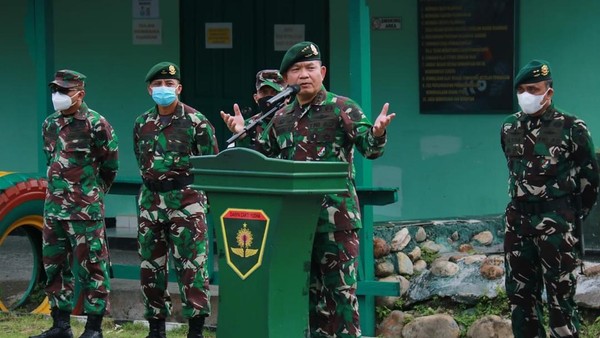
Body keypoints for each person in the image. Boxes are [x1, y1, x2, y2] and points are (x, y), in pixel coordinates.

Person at [221, 41, 395, 338]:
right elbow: (265, 157)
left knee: (340, 294)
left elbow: (369, 147)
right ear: (286, 78)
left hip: (336, 220)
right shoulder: (280, 116)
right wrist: (241, 133)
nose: (304, 75)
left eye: (310, 68)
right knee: (306, 295)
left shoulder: (342, 107)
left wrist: (378, 133)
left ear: (322, 72)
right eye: (297, 69)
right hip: (294, 223)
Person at [500, 59, 599, 338]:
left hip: (556, 224)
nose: (526, 96)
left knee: (560, 301)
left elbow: (591, 178)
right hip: (518, 223)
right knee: (520, 300)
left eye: (533, 89)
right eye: (521, 90)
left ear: (549, 92)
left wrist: (570, 214)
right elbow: (513, 171)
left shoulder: (572, 127)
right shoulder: (509, 127)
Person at [133, 62, 218, 338]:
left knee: (192, 268)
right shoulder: (142, 123)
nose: (163, 89)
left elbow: (210, 163)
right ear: (149, 90)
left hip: (187, 202)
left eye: (169, 85)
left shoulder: (197, 121)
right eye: (158, 84)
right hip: (151, 203)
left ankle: (195, 330)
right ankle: (156, 329)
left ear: (179, 88)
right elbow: (141, 160)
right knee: (150, 268)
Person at [33, 70, 119, 338]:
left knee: (92, 268)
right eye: (55, 90)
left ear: (80, 94)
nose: (57, 96)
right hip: (54, 210)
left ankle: (93, 329)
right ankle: (60, 325)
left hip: (85, 211)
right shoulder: (50, 124)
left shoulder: (97, 124)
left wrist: (90, 194)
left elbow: (110, 166)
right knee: (54, 266)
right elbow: (52, 160)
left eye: (64, 91)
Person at [228, 69, 286, 148]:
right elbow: (240, 157)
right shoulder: (248, 126)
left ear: (287, 97)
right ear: (255, 98)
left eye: (275, 93)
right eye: (264, 92)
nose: (269, 98)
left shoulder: (296, 121)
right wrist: (242, 136)